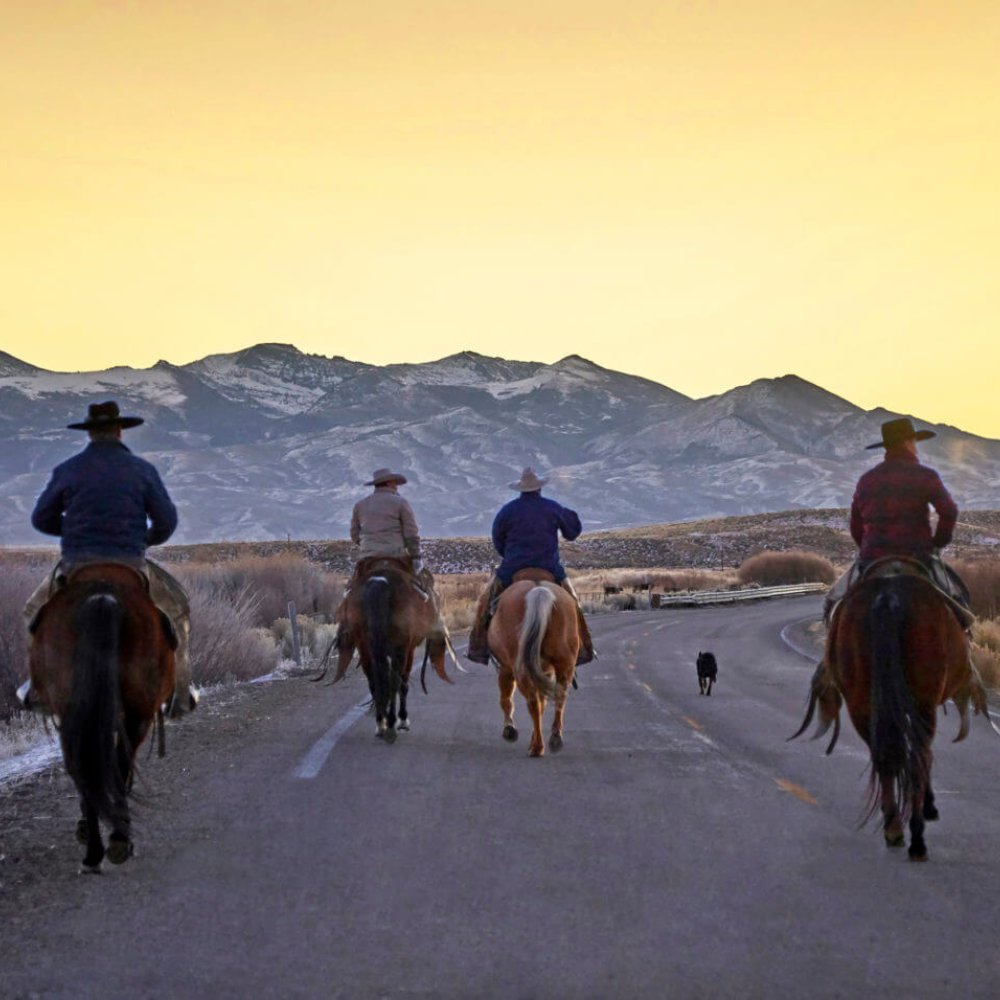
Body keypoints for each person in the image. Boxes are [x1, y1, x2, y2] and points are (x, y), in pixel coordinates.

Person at [18, 401, 196, 716]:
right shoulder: (142, 471)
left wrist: (73, 531)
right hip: (129, 561)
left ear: (90, 433)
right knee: (176, 610)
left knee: (33, 611)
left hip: (77, 564)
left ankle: (39, 689)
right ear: (119, 431)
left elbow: (40, 519)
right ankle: (180, 696)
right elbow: (166, 521)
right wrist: (143, 538)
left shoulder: (68, 470)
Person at [825, 416, 971, 624]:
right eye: (914, 442)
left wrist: (869, 548)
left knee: (833, 604)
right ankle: (967, 638)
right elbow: (949, 511)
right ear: (907, 442)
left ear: (887, 447)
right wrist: (937, 543)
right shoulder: (925, 475)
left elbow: (856, 526)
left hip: (873, 557)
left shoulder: (867, 480)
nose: (915, 447)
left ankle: (831, 641)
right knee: (959, 605)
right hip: (918, 555)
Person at [466, 467, 595, 666]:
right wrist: (569, 515)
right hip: (549, 568)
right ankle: (584, 648)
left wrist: (510, 555)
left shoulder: (507, 510)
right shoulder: (552, 507)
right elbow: (572, 532)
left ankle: (478, 647)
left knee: (486, 601)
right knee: (573, 602)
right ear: (539, 488)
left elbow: (498, 540)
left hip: (513, 568)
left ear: (521, 490)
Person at [333, 468, 445, 662]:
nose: (397, 487)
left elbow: (354, 535)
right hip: (397, 556)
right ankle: (435, 631)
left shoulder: (360, 505)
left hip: (368, 559)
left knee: (351, 591)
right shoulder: (401, 503)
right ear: (390, 483)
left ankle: (344, 634)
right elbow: (411, 534)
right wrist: (415, 556)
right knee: (425, 588)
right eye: (395, 483)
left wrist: (368, 546)